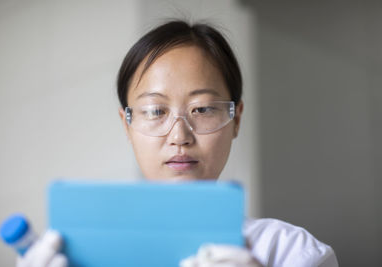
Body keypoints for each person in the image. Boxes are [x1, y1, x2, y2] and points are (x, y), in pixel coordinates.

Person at [17, 20, 339, 267]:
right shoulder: (76, 254)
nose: (179, 136)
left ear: (236, 119)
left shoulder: (290, 251)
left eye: (201, 109)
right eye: (156, 111)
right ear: (127, 125)